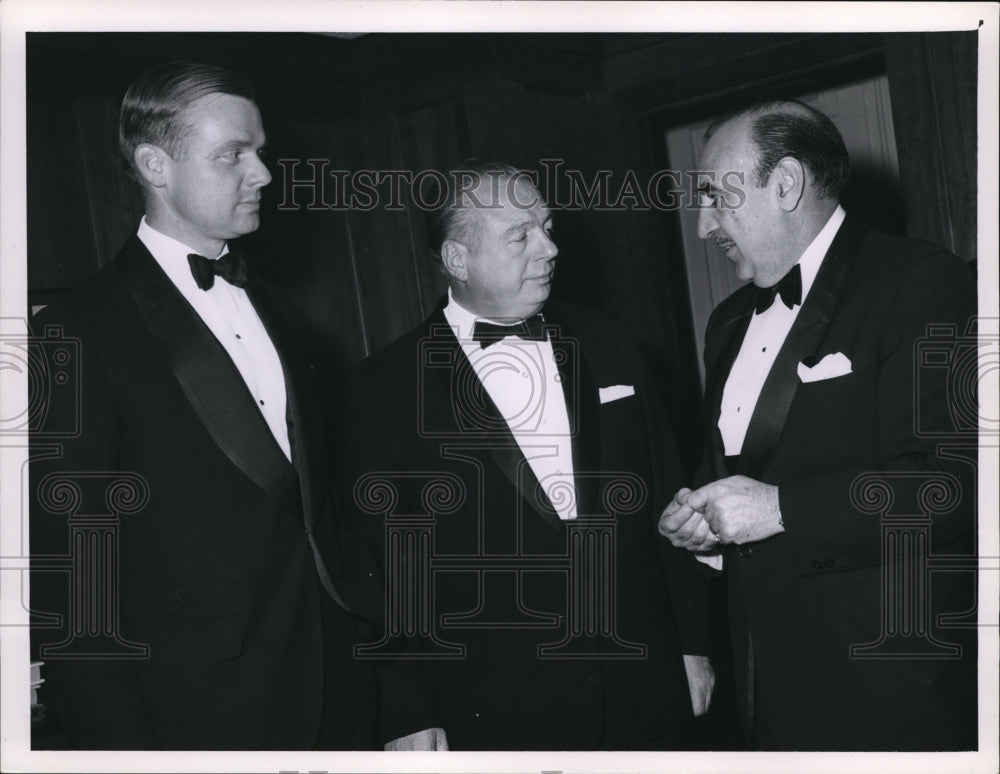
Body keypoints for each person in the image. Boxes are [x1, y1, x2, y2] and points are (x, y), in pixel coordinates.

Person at [29, 61, 436, 750]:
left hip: (342, 690)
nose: (265, 174)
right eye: (232, 155)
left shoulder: (273, 305)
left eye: (261, 151)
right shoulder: (77, 330)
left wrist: (401, 699)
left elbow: (330, 521)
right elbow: (74, 572)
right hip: (199, 715)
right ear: (156, 165)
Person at [339, 161, 715, 751]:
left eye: (546, 225)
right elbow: (380, 566)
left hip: (643, 679)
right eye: (521, 236)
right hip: (491, 702)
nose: (550, 248)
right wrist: (408, 709)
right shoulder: (380, 387)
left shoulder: (611, 343)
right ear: (458, 260)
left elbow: (673, 500)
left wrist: (694, 643)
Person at [659, 100, 977, 751]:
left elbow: (951, 487)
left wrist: (781, 509)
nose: (702, 226)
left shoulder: (921, 283)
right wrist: (702, 526)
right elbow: (738, 477)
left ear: (786, 183)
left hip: (888, 685)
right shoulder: (724, 325)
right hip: (766, 690)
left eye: (717, 197)